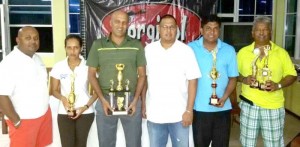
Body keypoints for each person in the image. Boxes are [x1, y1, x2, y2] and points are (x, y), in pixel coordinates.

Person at [86, 10, 146, 147]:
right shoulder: (98, 45)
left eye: (124, 22)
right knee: (105, 143)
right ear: (110, 23)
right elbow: (91, 74)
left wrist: (136, 99)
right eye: (117, 21)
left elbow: (142, 75)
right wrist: (102, 100)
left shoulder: (136, 45)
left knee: (134, 143)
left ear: (128, 24)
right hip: (105, 99)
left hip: (131, 100)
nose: (121, 25)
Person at [237, 16, 297, 147]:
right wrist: (244, 79)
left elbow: (292, 75)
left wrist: (278, 85)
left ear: (271, 32)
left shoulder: (281, 53)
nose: (262, 32)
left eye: (265, 29)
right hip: (249, 105)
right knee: (247, 143)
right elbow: (234, 74)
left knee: (274, 144)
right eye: (258, 29)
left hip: (273, 106)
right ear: (252, 33)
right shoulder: (242, 53)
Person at [142, 14, 201, 147]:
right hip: (155, 113)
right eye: (165, 27)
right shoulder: (148, 50)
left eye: (172, 27)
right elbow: (144, 79)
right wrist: (144, 104)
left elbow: (193, 81)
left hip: (179, 115)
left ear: (177, 29)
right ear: (159, 29)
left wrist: (189, 111)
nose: (168, 30)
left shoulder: (186, 51)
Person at [188, 14, 238, 147]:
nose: (212, 32)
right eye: (208, 28)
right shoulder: (190, 49)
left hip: (222, 109)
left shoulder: (229, 50)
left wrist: (225, 97)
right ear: (201, 30)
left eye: (216, 28)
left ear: (219, 30)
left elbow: (233, 78)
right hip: (198, 109)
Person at [0, 26, 52, 147]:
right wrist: (16, 120)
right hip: (24, 120)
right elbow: (2, 95)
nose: (33, 41)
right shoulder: (9, 63)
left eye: (36, 38)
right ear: (18, 40)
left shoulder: (37, 58)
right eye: (28, 38)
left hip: (43, 115)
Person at [50, 34, 98, 147]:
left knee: (81, 144)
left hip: (85, 111)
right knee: (67, 144)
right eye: (69, 47)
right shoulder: (58, 66)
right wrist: (63, 99)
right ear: (65, 48)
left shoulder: (88, 66)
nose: (72, 51)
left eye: (76, 47)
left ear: (81, 48)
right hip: (64, 111)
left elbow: (97, 92)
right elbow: (54, 90)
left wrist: (85, 107)